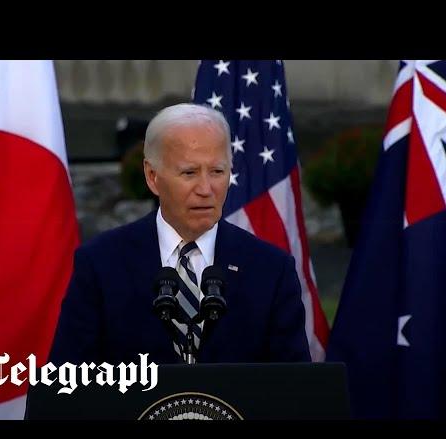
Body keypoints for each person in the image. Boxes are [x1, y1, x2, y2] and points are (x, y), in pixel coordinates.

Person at [48, 103, 311, 366]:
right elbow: (66, 382)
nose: (206, 189)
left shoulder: (271, 270)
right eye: (190, 173)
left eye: (217, 172)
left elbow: (295, 390)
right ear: (153, 177)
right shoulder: (101, 264)